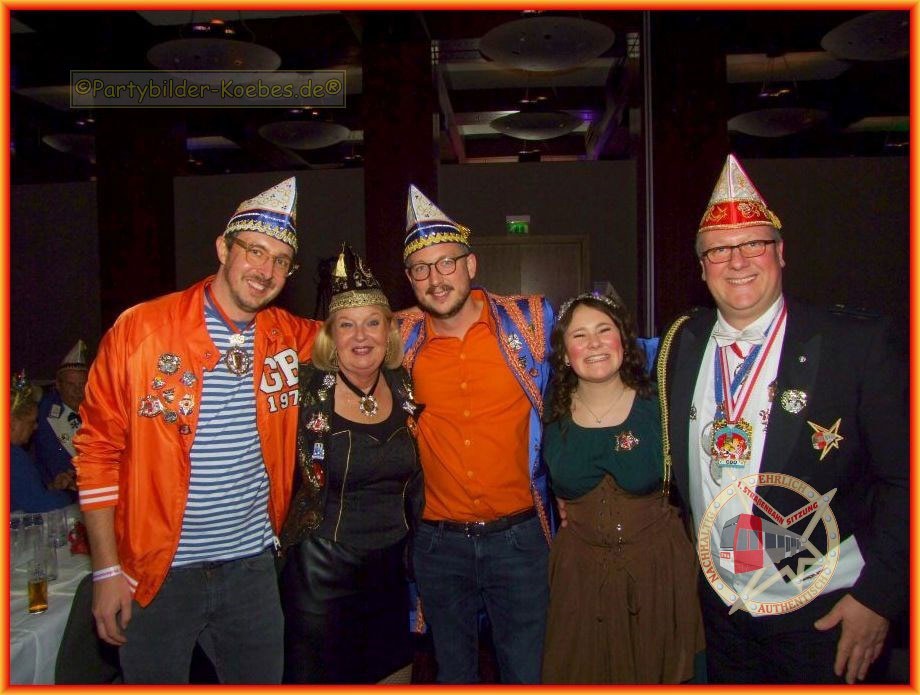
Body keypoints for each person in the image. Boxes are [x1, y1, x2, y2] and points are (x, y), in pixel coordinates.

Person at [657, 154, 907, 683]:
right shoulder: (684, 342)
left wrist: (880, 597)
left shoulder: (855, 344)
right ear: (701, 267)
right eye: (719, 249)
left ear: (781, 251)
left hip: (824, 608)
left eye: (754, 243)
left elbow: (904, 480)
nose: (737, 261)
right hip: (722, 607)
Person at [73, 178, 321, 684]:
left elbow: (360, 333)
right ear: (223, 249)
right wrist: (106, 569)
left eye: (281, 261)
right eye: (255, 251)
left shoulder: (286, 335)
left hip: (251, 569)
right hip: (156, 571)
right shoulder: (140, 331)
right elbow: (96, 452)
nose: (266, 270)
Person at [396, 185, 554, 684]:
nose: (435, 278)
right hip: (439, 544)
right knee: (453, 675)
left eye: (446, 263)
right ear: (409, 279)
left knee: (526, 673)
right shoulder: (398, 338)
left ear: (471, 264)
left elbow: (606, 350)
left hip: (520, 538)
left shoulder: (531, 320)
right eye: (421, 269)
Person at [540, 292, 704, 683]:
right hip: (579, 578)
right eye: (579, 335)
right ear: (564, 353)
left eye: (604, 330)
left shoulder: (660, 402)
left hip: (658, 571)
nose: (594, 344)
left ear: (623, 341)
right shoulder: (549, 410)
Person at [278, 244, 423, 684]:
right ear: (331, 335)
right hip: (320, 574)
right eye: (347, 324)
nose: (361, 336)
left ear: (389, 331)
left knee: (391, 676)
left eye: (372, 322)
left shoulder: (407, 384)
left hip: (392, 571)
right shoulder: (303, 391)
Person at [11, 370, 73, 512]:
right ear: (12, 423)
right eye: (31, 422)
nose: (36, 427)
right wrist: (71, 494)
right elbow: (40, 504)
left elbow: (23, 496)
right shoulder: (13, 456)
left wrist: (52, 488)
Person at [35, 340, 88, 497]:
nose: (78, 391)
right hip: (58, 494)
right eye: (71, 385)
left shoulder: (101, 411)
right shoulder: (44, 413)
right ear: (58, 385)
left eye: (82, 384)